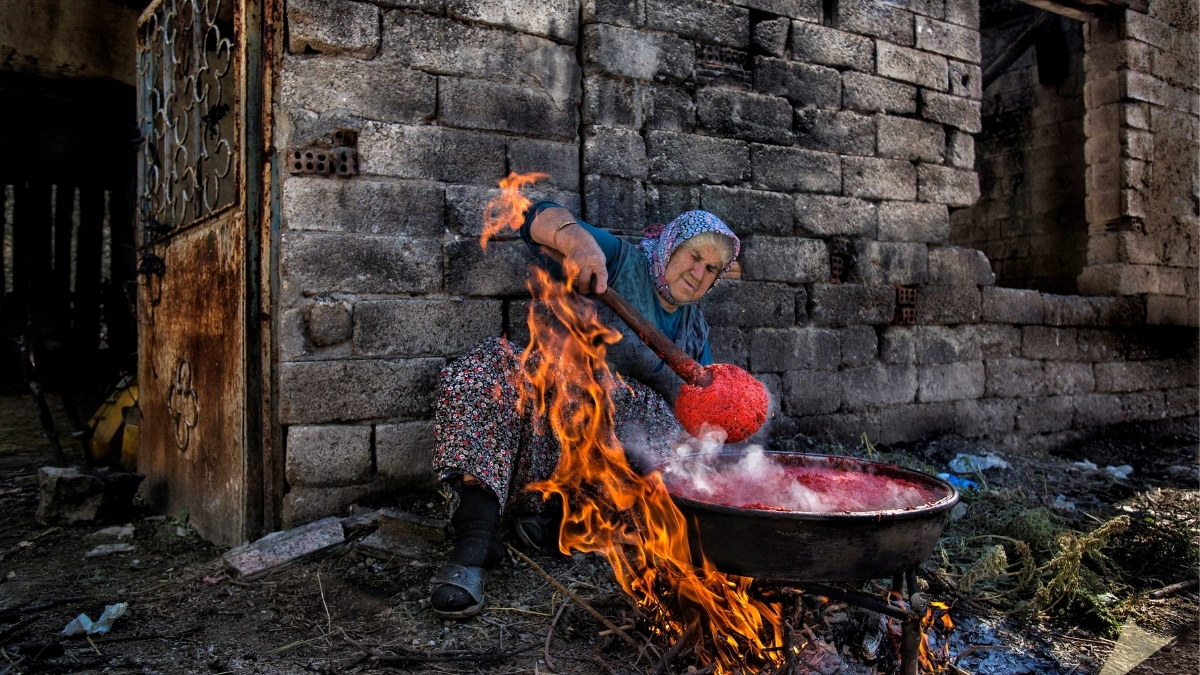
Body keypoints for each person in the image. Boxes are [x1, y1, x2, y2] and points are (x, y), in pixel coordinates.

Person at [428, 202, 740, 618]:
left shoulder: (694, 331)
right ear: (670, 246)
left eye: (712, 268)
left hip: (606, 466)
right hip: (543, 427)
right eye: (694, 256)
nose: (698, 273)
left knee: (659, 425)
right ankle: (474, 541)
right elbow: (536, 216)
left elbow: (702, 423)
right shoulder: (621, 260)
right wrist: (579, 244)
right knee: (487, 366)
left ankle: (563, 520)